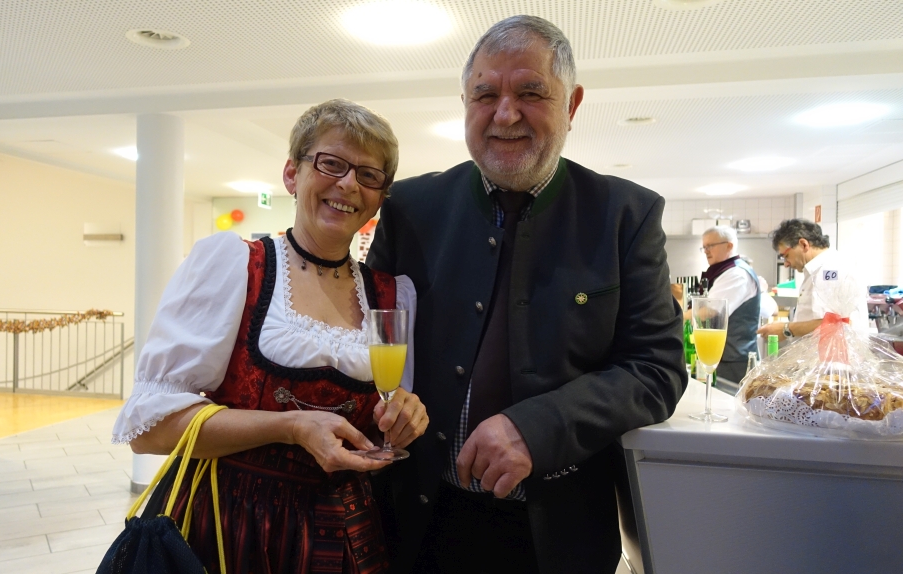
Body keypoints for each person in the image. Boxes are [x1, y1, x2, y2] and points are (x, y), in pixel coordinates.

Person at [366, 15, 687, 574]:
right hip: (417, 522)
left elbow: (655, 369)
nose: (505, 114)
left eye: (531, 93)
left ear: (573, 104)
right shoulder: (409, 209)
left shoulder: (625, 216)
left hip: (559, 533)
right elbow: (366, 333)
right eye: (485, 95)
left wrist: (537, 428)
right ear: (465, 103)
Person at [112, 99, 429, 574]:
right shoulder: (236, 266)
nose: (348, 184)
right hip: (230, 526)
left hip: (347, 534)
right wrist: (290, 427)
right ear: (292, 174)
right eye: (331, 163)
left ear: (380, 197)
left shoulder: (391, 295)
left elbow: (388, 410)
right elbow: (149, 431)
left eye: (368, 175)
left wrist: (405, 413)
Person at [757, 218, 868, 342]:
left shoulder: (829, 270)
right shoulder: (818, 270)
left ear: (804, 244)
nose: (786, 264)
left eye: (786, 256)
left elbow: (833, 324)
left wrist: (786, 329)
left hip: (833, 354)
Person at [693, 226, 760, 382]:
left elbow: (707, 312)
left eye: (710, 246)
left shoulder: (736, 274)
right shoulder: (722, 272)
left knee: (729, 396)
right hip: (723, 356)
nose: (706, 251)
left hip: (734, 360)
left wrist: (677, 317)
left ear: (729, 245)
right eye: (704, 247)